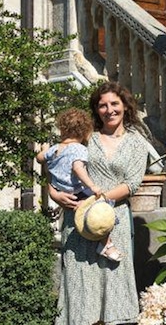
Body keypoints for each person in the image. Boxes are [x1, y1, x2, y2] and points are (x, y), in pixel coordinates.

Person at [48, 81, 148, 325]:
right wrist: (55, 193)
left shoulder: (136, 143)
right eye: (102, 105)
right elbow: (55, 165)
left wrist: (99, 199)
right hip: (78, 223)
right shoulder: (83, 139)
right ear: (96, 109)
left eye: (114, 104)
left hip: (112, 223)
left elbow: (131, 184)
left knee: (111, 287)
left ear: (125, 107)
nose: (109, 110)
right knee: (81, 287)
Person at [37, 108, 122, 261]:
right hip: (76, 190)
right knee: (104, 206)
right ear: (84, 132)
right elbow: (78, 169)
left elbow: (39, 158)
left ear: (62, 129)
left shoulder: (55, 149)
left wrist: (44, 150)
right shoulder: (79, 149)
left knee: (83, 213)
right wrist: (92, 186)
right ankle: (106, 243)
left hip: (61, 190)